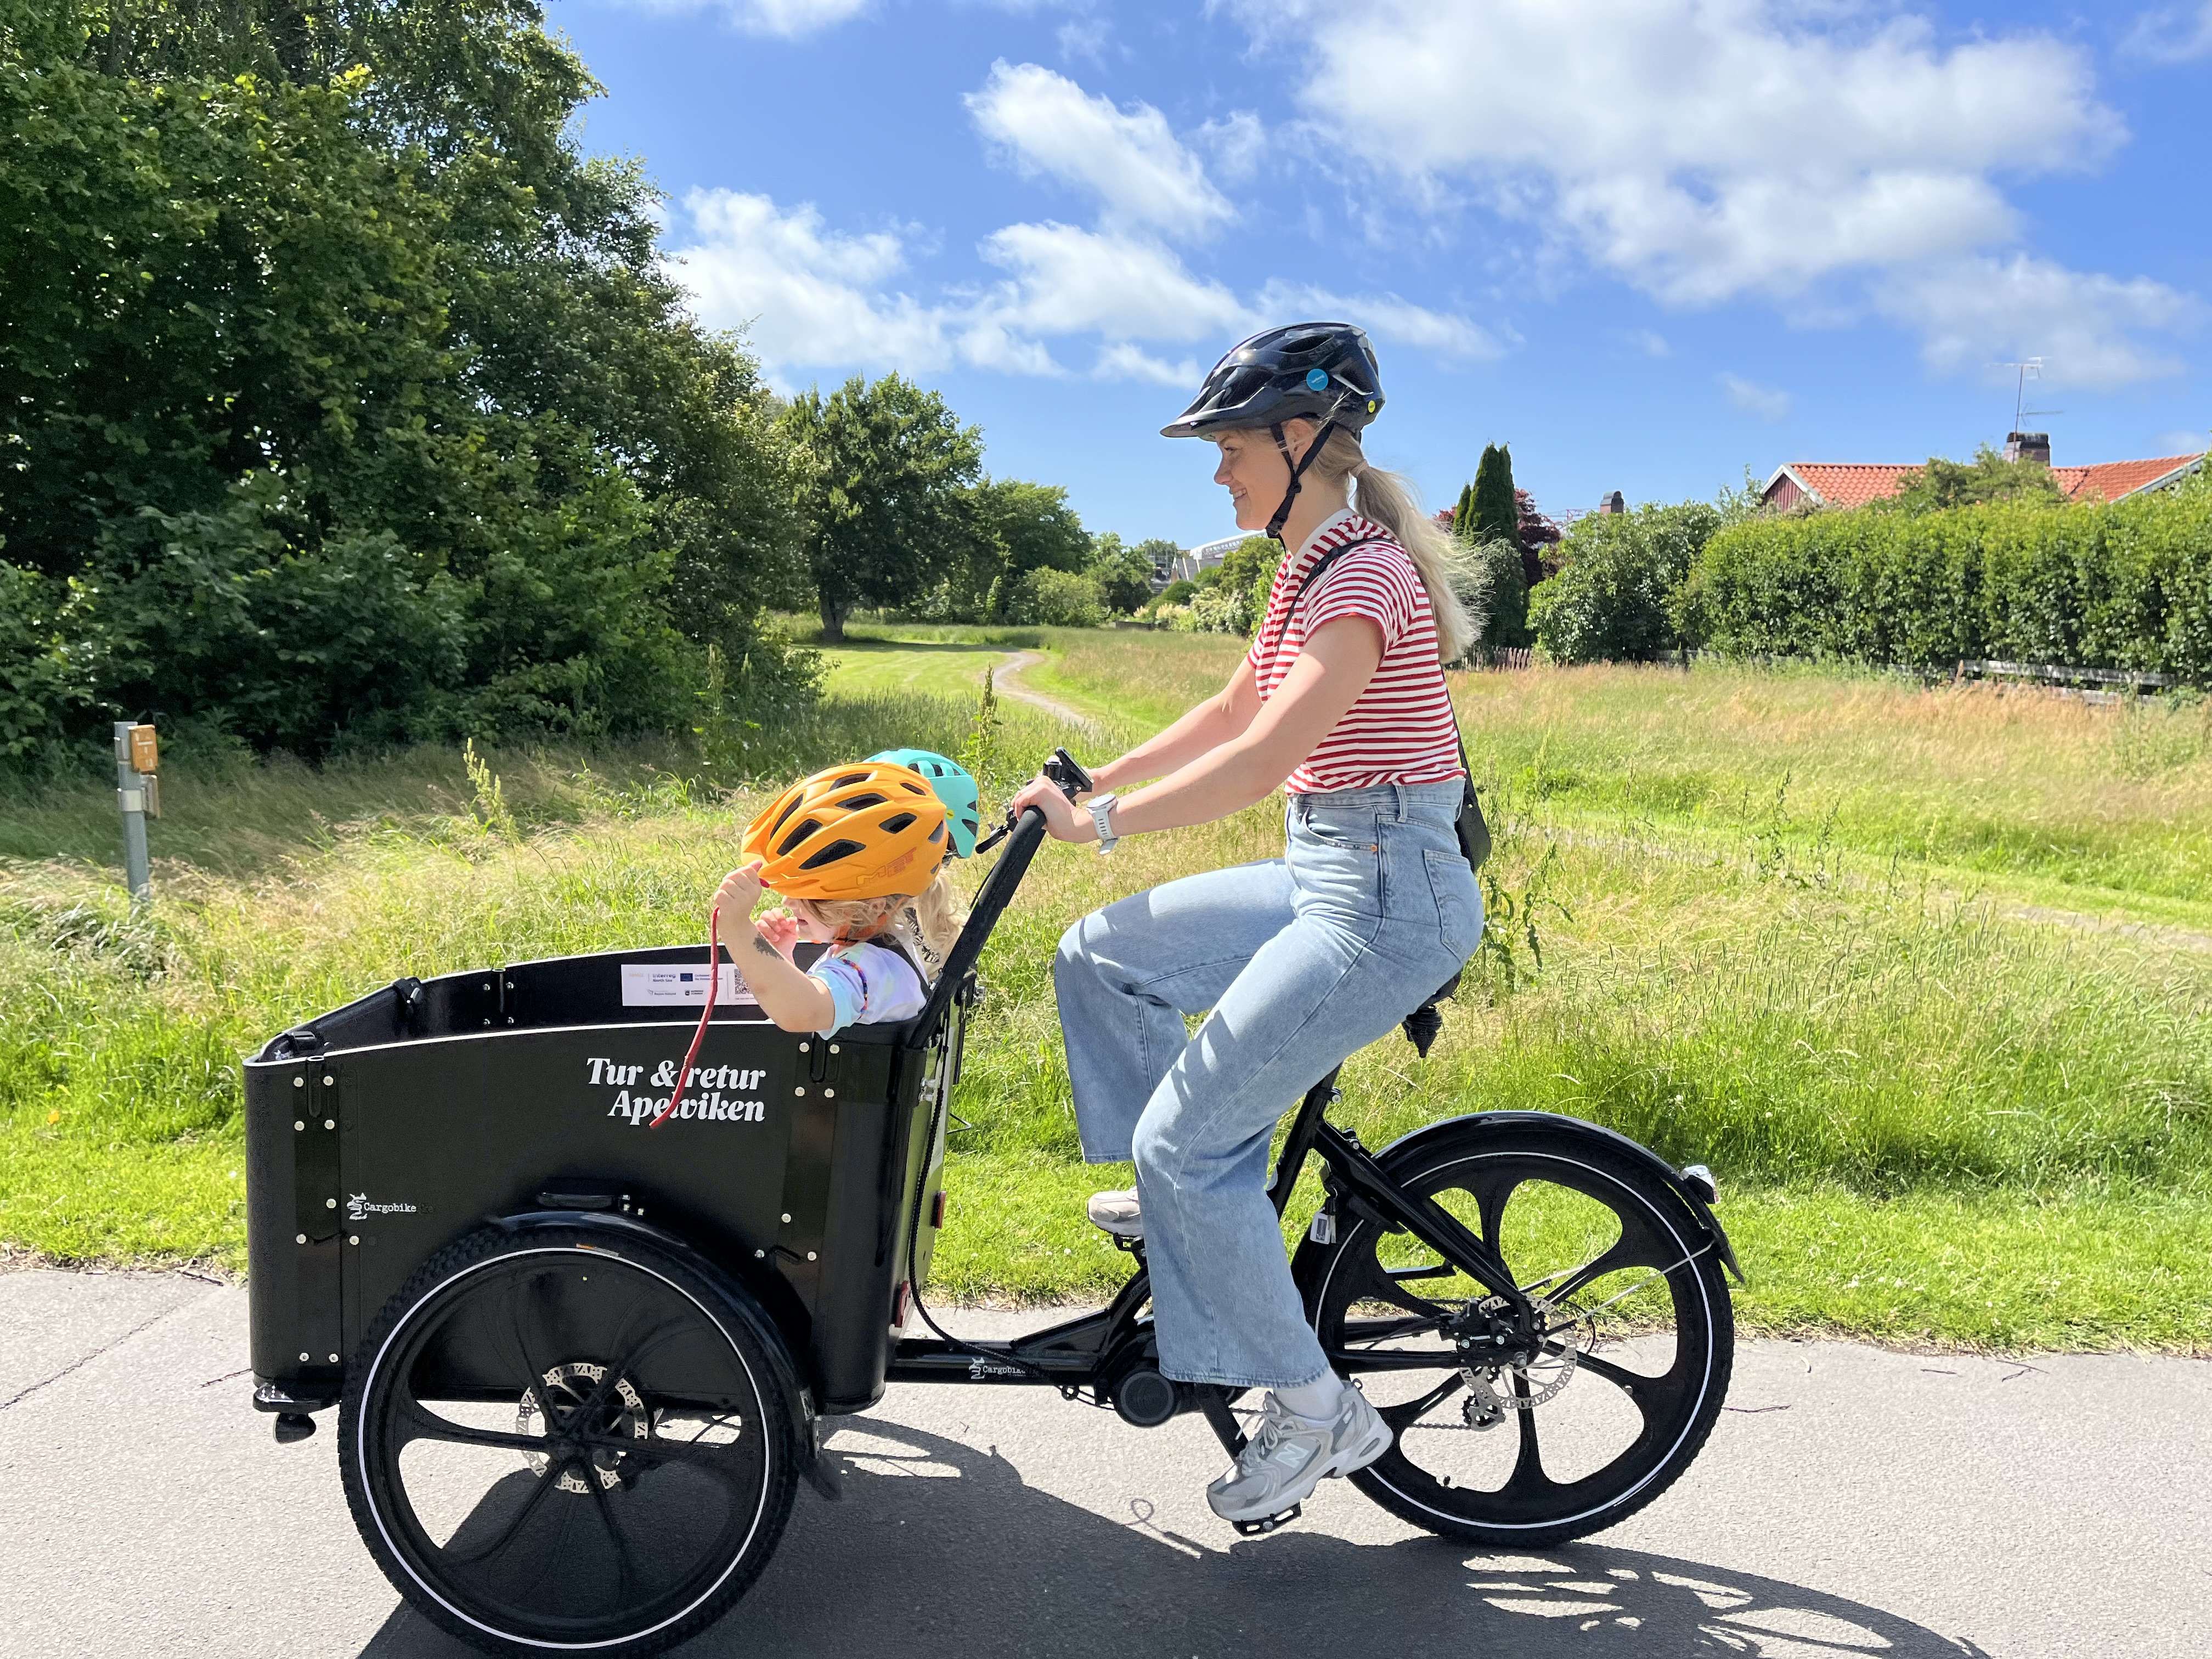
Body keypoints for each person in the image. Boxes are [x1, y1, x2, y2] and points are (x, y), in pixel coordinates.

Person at [1009, 322, 1483, 1528]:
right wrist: (1088, 785)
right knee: (1099, 957)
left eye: (1231, 448)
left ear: (1304, 439)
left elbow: (1273, 752)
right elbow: (1232, 708)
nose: (1219, 472)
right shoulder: (1306, 568)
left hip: (1388, 895)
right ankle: (1191, 1205)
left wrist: (1103, 829)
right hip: (1329, 863)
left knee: (1185, 1144)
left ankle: (1319, 1411)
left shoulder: (1366, 575)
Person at [714, 758, 972, 1034]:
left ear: (869, 908)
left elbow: (804, 1013)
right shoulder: (870, 950)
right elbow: (815, 1000)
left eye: (807, 894)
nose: (787, 903)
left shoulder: (874, 971)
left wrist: (738, 930)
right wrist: (782, 958)